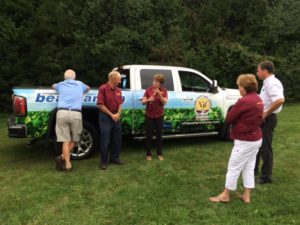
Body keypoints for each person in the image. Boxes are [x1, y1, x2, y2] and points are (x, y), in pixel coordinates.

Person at [209, 74, 263, 203]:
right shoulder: (258, 98)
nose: (238, 88)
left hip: (245, 140)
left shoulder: (244, 101)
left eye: (239, 86)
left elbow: (229, 119)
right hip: (256, 139)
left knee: (234, 167)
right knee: (249, 167)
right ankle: (247, 195)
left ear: (244, 88)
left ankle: (225, 195)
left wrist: (238, 120)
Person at [52, 69, 90, 172]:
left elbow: (53, 86)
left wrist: (58, 84)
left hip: (62, 113)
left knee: (65, 140)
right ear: (75, 77)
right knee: (76, 139)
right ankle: (64, 160)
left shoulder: (61, 85)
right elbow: (88, 88)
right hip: (75, 113)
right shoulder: (79, 84)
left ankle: (66, 162)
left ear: (64, 78)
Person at [255, 61, 285, 184]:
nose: (257, 73)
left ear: (265, 71)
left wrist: (265, 114)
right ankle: (253, 170)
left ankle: (266, 176)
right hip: (264, 118)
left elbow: (279, 100)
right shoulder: (267, 83)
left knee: (265, 147)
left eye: (258, 70)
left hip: (268, 119)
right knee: (257, 145)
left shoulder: (272, 83)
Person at [97, 71, 124, 170]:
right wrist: (111, 115)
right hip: (106, 117)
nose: (120, 81)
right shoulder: (103, 88)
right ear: (113, 79)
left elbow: (120, 104)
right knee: (105, 140)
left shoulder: (119, 90)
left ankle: (115, 158)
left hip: (116, 116)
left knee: (117, 139)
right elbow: (100, 104)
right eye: (119, 79)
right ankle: (104, 161)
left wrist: (118, 114)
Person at [142, 74, 168, 161]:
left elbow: (164, 102)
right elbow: (143, 102)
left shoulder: (164, 91)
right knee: (149, 135)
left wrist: (159, 94)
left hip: (159, 116)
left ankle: (159, 153)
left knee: (159, 136)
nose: (154, 82)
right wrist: (149, 100)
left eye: (156, 81)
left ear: (160, 83)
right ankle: (148, 154)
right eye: (153, 81)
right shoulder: (148, 90)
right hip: (149, 116)